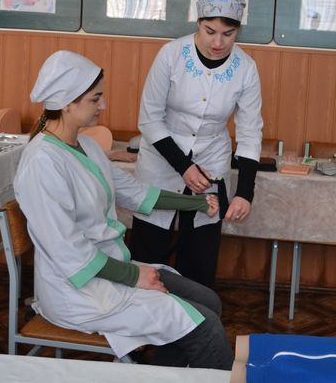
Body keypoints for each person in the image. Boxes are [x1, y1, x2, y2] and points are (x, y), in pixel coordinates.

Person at [14, 50, 233, 369]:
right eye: (95, 99)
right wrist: (134, 276)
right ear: (67, 102)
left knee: (208, 302)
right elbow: (68, 251)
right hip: (79, 292)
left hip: (110, 269)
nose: (103, 105)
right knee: (206, 328)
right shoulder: (41, 164)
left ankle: (158, 374)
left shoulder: (87, 147)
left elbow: (135, 192)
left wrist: (198, 202)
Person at [132, 0, 263, 289]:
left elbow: (249, 131)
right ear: (198, 22)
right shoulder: (171, 54)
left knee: (200, 256)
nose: (218, 42)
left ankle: (194, 315)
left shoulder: (246, 68)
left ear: (238, 30)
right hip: (162, 161)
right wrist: (184, 166)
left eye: (228, 34)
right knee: (149, 249)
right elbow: (149, 119)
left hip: (211, 163)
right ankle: (143, 314)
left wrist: (245, 192)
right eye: (209, 31)